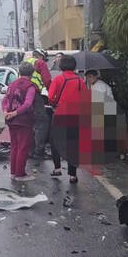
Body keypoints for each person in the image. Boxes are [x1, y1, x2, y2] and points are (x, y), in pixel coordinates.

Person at [48, 54, 86, 184]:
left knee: (55, 142)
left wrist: (54, 104)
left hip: (60, 115)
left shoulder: (58, 79)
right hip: (75, 116)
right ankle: (73, 176)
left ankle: (57, 168)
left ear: (61, 65)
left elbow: (51, 97)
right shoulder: (80, 80)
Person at [2, 62, 38, 181]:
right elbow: (28, 104)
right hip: (23, 120)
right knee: (23, 147)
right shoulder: (30, 86)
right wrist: (15, 113)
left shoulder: (12, 84)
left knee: (14, 146)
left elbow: (5, 100)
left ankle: (13, 172)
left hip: (11, 120)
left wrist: (6, 111)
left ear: (19, 72)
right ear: (31, 74)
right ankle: (20, 174)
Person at [26, 49, 52, 159]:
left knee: (31, 123)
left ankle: (30, 150)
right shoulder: (40, 63)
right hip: (35, 95)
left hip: (24, 95)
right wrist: (52, 93)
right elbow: (47, 80)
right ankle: (39, 151)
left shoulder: (26, 63)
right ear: (40, 56)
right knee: (42, 122)